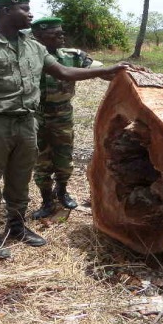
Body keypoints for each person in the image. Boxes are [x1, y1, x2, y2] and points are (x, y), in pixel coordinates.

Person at [0, 0, 129, 259]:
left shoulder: (33, 46)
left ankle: (17, 227)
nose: (30, 14)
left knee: (20, 178)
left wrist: (105, 71)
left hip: (27, 123)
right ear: (4, 11)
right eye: (24, 9)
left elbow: (63, 72)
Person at [29, 17, 98, 219]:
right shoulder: (28, 57)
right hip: (36, 115)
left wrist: (124, 71)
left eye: (62, 32)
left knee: (64, 156)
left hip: (62, 113)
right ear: (39, 36)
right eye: (55, 33)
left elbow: (99, 71)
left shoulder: (73, 56)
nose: (62, 36)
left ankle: (62, 192)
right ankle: (46, 201)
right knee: (41, 160)